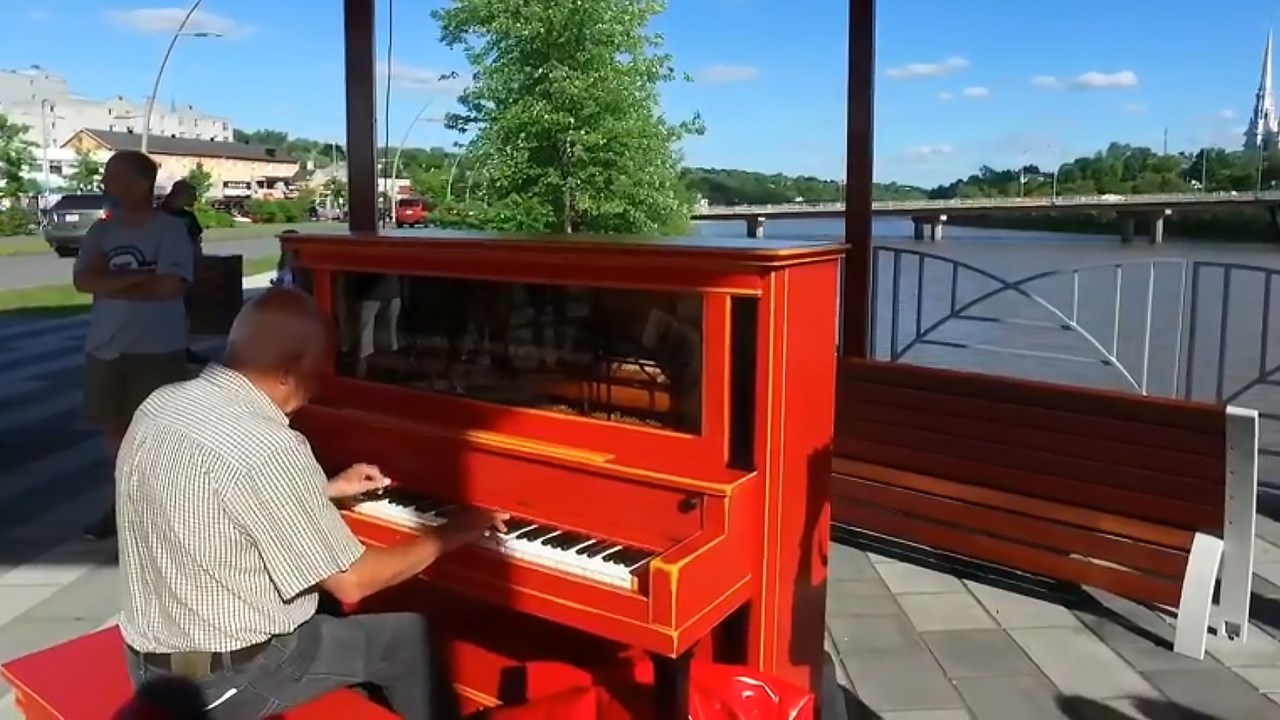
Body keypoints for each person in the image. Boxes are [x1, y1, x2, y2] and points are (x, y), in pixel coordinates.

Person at [115, 287, 508, 719]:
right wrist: (456, 530)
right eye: (318, 375)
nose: (318, 390)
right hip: (229, 684)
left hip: (150, 666)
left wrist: (322, 490)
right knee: (405, 637)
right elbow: (353, 581)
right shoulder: (270, 445)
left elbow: (206, 501)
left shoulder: (162, 403)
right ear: (286, 371)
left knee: (324, 613)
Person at [73, 151, 196, 541]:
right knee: (115, 436)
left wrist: (111, 279)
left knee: (158, 438)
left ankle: (161, 517)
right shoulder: (101, 232)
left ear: (142, 182)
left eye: (114, 176)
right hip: (106, 348)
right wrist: (140, 278)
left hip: (158, 349)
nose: (106, 184)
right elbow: (83, 281)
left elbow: (170, 286)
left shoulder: (170, 230)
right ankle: (121, 509)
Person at [159, 180, 208, 366]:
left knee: (185, 311)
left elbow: (196, 242)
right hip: (166, 269)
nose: (195, 198)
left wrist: (198, 264)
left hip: (188, 268)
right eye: (192, 194)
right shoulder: (160, 215)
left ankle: (182, 349)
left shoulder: (188, 217)